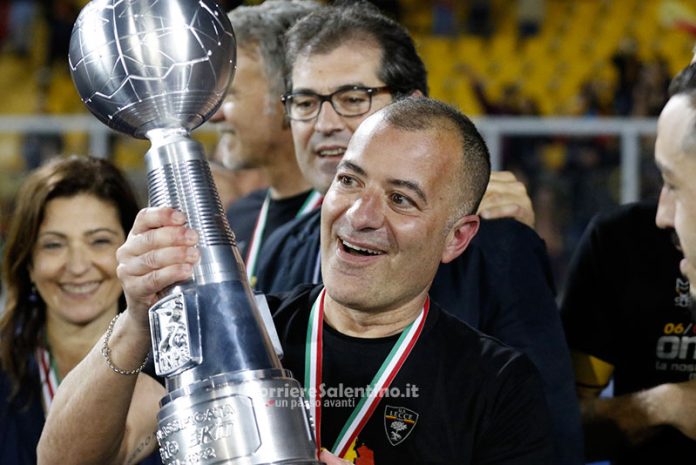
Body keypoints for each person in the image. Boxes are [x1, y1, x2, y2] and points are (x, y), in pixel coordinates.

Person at [37, 97, 554, 465]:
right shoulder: (239, 333)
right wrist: (135, 320)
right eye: (349, 180)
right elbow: (62, 459)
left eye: (401, 199)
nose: (360, 215)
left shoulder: (498, 384)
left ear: (457, 238)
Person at [255, 3, 582, 463]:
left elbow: (543, 434)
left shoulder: (498, 246)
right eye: (306, 103)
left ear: (411, 105)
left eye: (353, 98)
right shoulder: (282, 245)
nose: (325, 124)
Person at [561, 62, 696, 464]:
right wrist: (666, 405)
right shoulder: (621, 243)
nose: (663, 215)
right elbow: (552, 429)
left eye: (674, 183)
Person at [0, 155, 151, 465]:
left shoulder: (171, 367)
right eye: (53, 245)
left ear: (132, 252)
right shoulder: (4, 367)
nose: (78, 266)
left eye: (99, 241)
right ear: (28, 263)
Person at [209, 0, 319, 287]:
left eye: (229, 95)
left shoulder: (349, 223)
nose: (215, 115)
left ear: (290, 98)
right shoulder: (237, 217)